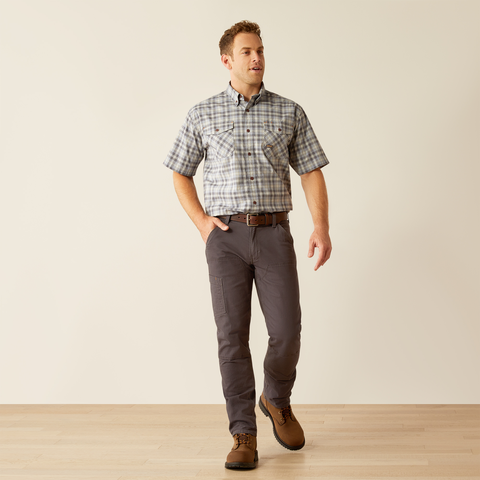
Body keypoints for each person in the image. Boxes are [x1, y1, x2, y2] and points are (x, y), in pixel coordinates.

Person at [164, 20, 332, 470]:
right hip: (225, 239)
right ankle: (243, 433)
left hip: (275, 233)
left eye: (260, 50)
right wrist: (202, 223)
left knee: (287, 330)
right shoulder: (202, 114)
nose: (257, 58)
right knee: (232, 337)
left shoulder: (289, 112)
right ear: (227, 60)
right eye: (246, 52)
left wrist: (321, 227)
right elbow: (179, 170)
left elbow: (311, 170)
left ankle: (276, 398)